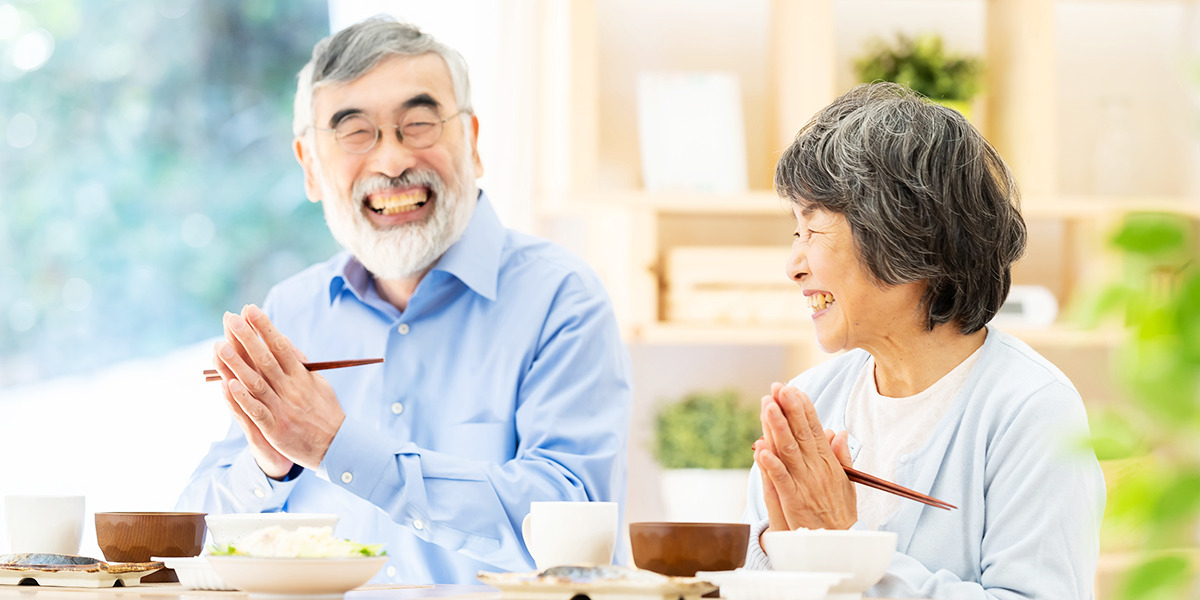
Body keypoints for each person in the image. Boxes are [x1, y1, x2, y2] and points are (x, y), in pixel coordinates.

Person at [177, 17, 633, 585]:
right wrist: (270, 467)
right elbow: (193, 531)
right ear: (310, 167)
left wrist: (337, 446)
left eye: (418, 124)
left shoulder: (562, 298)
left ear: (472, 142)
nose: (391, 162)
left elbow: (574, 532)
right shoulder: (292, 310)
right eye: (354, 132)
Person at [744, 82, 1105, 599]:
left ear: (902, 233)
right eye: (794, 232)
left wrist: (842, 548)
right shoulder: (812, 402)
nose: (793, 266)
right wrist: (773, 547)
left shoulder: (1031, 410)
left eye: (814, 228)